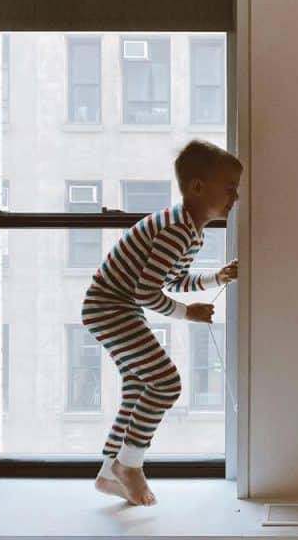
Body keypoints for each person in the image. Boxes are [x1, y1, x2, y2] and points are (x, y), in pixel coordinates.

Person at [81, 139, 242, 505]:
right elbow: (145, 292)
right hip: (110, 307)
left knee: (140, 384)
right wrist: (189, 313)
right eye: (229, 188)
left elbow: (173, 280)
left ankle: (110, 470)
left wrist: (217, 278)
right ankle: (130, 466)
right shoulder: (175, 229)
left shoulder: (189, 229)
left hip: (115, 306)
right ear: (199, 187)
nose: (235, 197)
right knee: (166, 383)